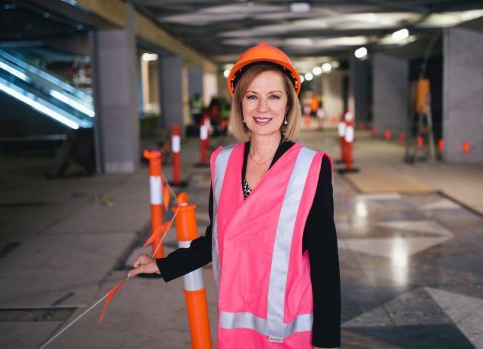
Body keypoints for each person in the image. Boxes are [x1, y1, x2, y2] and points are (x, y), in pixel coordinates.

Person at [130, 42, 340, 349]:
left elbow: (324, 258)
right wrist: (164, 265)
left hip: (292, 331)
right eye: (252, 96)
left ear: (288, 106)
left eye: (274, 97)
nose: (262, 108)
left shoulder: (310, 166)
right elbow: (217, 238)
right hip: (237, 331)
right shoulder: (223, 162)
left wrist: (326, 340)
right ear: (240, 105)